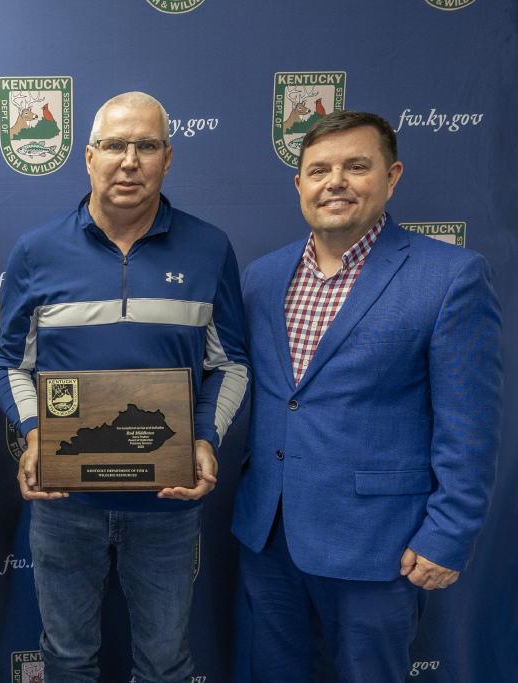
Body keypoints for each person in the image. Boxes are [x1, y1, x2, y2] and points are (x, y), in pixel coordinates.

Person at [232, 110, 502, 681]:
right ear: (299, 183)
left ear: (392, 175)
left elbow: (470, 425)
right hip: (269, 536)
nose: (336, 182)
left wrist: (449, 534)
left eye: (357, 166)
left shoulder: (450, 276)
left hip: (380, 546)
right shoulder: (262, 277)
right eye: (319, 169)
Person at [0, 91, 249, 682]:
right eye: (114, 145)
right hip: (66, 507)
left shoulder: (210, 248)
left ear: (168, 157)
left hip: (166, 506)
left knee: (164, 663)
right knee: (66, 659)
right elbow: (10, 365)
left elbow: (230, 365)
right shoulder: (37, 251)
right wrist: (35, 434)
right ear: (88, 156)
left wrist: (206, 438)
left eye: (146, 146)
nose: (129, 160)